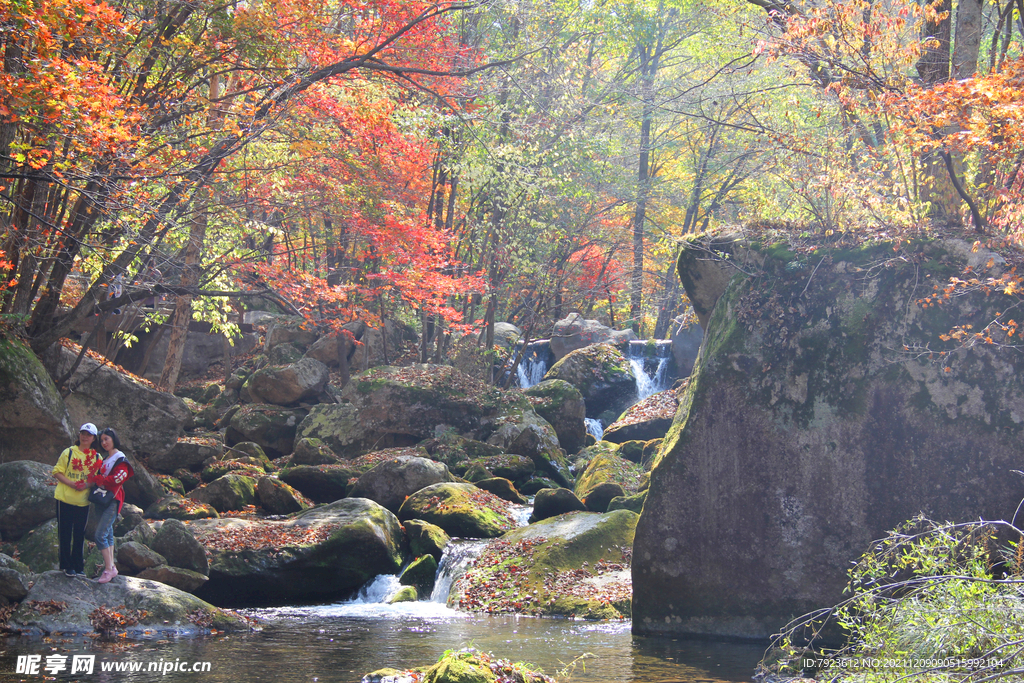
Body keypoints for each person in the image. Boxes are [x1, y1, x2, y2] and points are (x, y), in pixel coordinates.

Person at [52, 424, 102, 578]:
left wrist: (86, 485)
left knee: (79, 534)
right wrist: (71, 484)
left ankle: (78, 566)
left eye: (89, 434)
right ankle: (67, 566)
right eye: (83, 433)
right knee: (65, 532)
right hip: (64, 498)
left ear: (93, 438)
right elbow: (57, 472)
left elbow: (97, 479)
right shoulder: (69, 452)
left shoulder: (96, 457)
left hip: (83, 501)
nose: (85, 437)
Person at [89, 427, 134, 584]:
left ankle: (109, 568)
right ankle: (111, 567)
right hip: (101, 499)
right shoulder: (106, 459)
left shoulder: (120, 458)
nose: (104, 442)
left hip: (112, 499)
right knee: (107, 533)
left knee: (100, 534)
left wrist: (101, 480)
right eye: (102, 440)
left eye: (107, 439)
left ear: (114, 439)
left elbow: (120, 478)